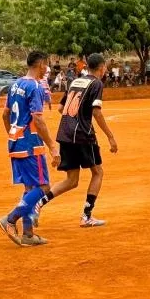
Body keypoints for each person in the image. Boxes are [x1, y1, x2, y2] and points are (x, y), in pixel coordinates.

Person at [34, 53, 118, 228]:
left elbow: (60, 108)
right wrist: (110, 136)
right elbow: (96, 112)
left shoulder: (76, 81)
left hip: (65, 133)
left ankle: (37, 204)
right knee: (98, 172)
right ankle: (86, 216)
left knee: (71, 180)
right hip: (82, 134)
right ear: (102, 68)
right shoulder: (96, 83)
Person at [0, 51, 57, 247]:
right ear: (40, 64)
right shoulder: (35, 86)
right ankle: (10, 219)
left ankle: (28, 234)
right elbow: (38, 118)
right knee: (43, 187)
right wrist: (53, 146)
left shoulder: (15, 85)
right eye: (46, 65)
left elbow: (5, 115)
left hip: (15, 141)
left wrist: (13, 135)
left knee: (30, 187)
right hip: (31, 144)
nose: (47, 69)